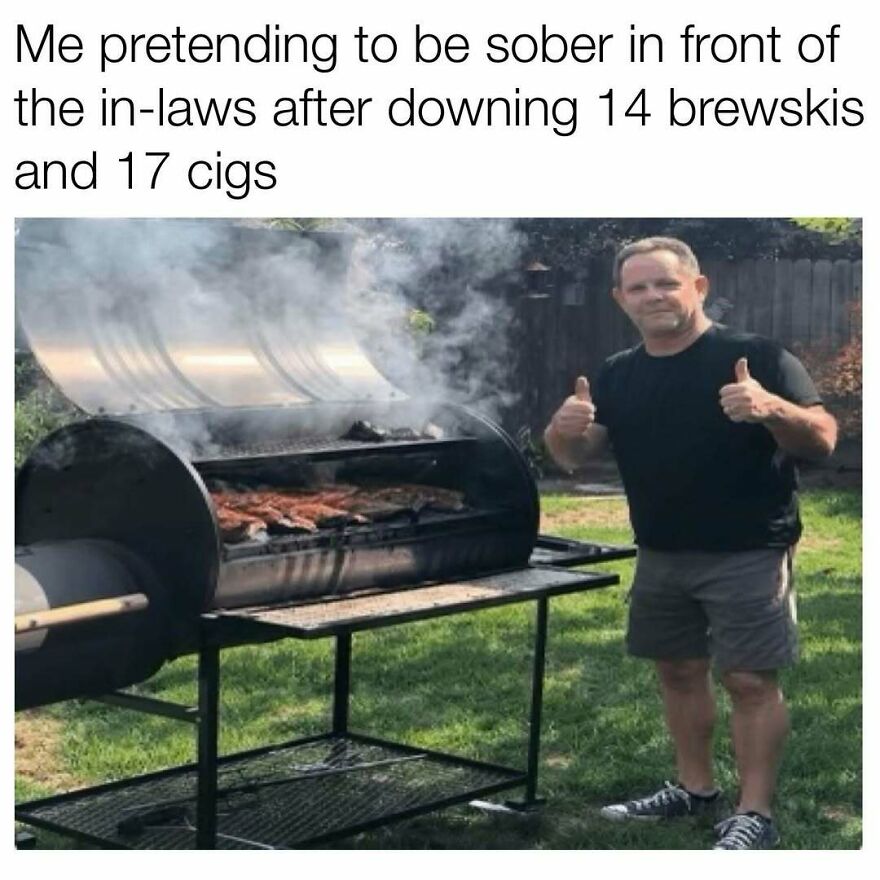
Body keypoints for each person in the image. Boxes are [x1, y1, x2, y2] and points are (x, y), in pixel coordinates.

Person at [543, 237, 837, 850]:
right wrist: (561, 430)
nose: (653, 296)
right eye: (639, 287)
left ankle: (754, 813)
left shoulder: (756, 355)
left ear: (697, 287)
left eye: (666, 283)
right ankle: (694, 789)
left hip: (748, 549)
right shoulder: (619, 372)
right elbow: (573, 458)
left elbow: (823, 439)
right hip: (660, 550)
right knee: (677, 671)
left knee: (749, 681)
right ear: (621, 299)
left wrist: (771, 408)